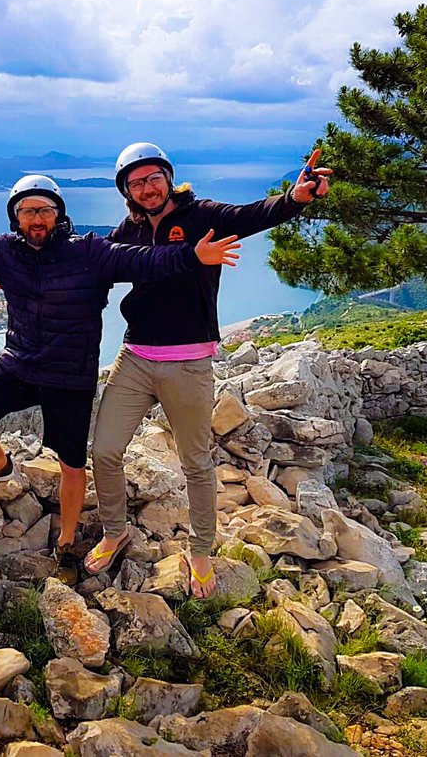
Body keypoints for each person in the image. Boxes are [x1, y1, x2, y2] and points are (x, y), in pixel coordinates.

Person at [0, 175, 242, 582]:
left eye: (46, 210)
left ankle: (66, 542)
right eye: (28, 211)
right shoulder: (2, 252)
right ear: (15, 218)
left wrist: (192, 255)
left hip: (70, 375)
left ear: (58, 215)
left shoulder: (89, 252)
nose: (37, 218)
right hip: (20, 363)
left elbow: (145, 260)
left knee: (71, 465)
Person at [81, 143, 331, 598]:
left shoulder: (201, 215)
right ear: (127, 192)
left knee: (195, 462)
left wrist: (294, 199)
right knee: (104, 450)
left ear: (168, 178)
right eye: (136, 183)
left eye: (153, 178)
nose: (147, 188)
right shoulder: (129, 230)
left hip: (189, 362)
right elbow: (95, 265)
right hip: (135, 357)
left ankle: (200, 550)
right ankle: (115, 531)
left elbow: (252, 215)